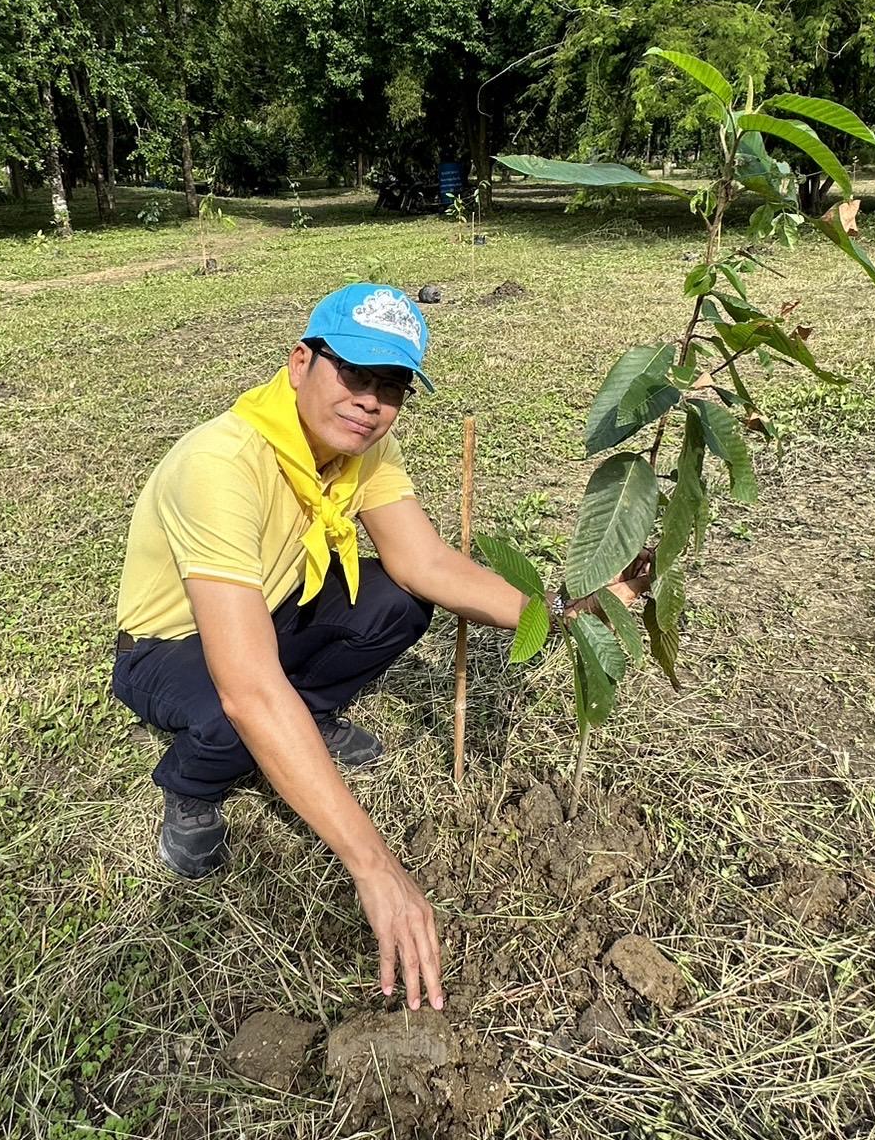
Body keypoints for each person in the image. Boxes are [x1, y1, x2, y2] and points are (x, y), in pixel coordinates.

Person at [113, 283, 648, 1012]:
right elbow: (246, 685)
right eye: (354, 375)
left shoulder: (364, 449)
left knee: (397, 601)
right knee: (233, 713)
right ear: (301, 362)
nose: (371, 401)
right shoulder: (223, 462)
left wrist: (560, 610)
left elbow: (426, 563)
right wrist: (376, 866)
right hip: (167, 644)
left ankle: (310, 718)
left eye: (391, 386)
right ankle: (191, 787)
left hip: (273, 608)